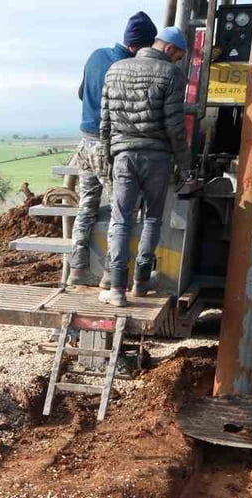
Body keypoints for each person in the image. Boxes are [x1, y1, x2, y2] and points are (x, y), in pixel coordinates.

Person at [97, 26, 196, 306]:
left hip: (124, 156)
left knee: (121, 220)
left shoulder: (115, 70)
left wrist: (107, 158)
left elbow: (105, 123)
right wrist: (186, 166)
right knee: (152, 218)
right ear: (168, 48)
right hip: (157, 158)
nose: (178, 61)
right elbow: (175, 127)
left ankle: (117, 289)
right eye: (178, 55)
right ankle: (141, 281)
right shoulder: (171, 74)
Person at [66, 12, 159, 287]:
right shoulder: (126, 68)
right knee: (122, 213)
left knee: (86, 207)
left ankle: (77, 270)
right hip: (106, 148)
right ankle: (110, 274)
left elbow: (81, 93)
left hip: (83, 144)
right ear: (139, 46)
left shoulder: (95, 55)